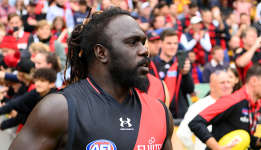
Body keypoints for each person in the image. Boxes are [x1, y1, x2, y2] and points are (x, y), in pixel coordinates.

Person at [9, 7, 173, 150]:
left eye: (143, 42)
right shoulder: (58, 109)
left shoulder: (160, 112)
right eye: (133, 42)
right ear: (101, 53)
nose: (144, 50)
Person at [189, 63, 261, 150]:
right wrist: (217, 148)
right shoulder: (232, 100)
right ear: (254, 81)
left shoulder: (257, 106)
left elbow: (245, 139)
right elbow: (196, 123)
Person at [177, 70, 232, 150]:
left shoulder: (236, 104)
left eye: (228, 82)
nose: (226, 85)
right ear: (211, 86)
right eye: (222, 83)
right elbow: (182, 134)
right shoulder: (199, 106)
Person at [150, 28, 194, 119]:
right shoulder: (151, 64)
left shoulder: (182, 63)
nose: (173, 46)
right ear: (161, 43)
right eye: (169, 43)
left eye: (175, 43)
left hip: (179, 116)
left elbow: (190, 89)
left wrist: (186, 74)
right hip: (157, 115)